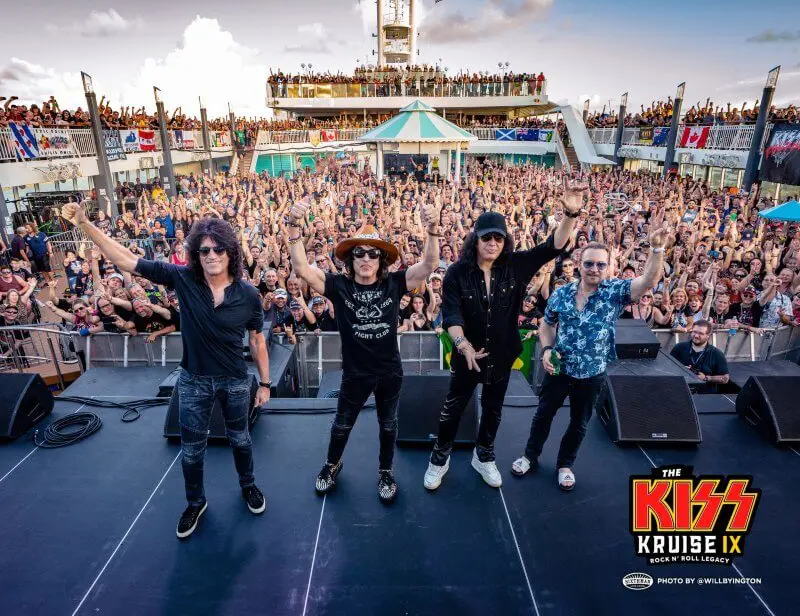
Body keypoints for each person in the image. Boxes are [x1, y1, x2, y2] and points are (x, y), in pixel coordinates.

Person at [60, 201, 271, 540]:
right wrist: (85, 224)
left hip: (235, 380)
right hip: (193, 380)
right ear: (195, 253)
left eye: (218, 248)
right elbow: (125, 260)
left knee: (241, 440)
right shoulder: (182, 278)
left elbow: (257, 341)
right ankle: (195, 502)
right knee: (191, 450)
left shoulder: (247, 294)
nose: (211, 255)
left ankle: (248, 486)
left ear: (231, 252)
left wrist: (265, 383)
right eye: (204, 250)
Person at [423, 182, 584, 492]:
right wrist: (462, 344)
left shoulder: (515, 266)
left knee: (494, 410)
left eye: (499, 237)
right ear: (475, 240)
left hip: (502, 354)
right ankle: (439, 458)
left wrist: (571, 213)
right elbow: (452, 314)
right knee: (453, 409)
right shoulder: (457, 272)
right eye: (487, 237)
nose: (493, 243)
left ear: (505, 240)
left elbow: (553, 246)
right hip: (466, 356)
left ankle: (483, 456)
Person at [288, 197, 439, 504]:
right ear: (351, 258)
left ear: (381, 259)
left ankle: (385, 470)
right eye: (359, 252)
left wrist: (433, 228)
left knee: (388, 425)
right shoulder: (337, 286)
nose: (366, 258)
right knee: (342, 424)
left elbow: (430, 265)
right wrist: (292, 227)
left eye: (373, 253)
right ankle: (332, 464)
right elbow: (301, 267)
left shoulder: (395, 283)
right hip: (355, 374)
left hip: (389, 372)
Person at [511, 218, 668, 492]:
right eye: (588, 263)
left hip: (592, 373)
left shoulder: (614, 292)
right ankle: (530, 456)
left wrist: (656, 250)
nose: (594, 269)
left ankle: (565, 465)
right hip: (559, 369)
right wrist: (547, 349)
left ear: (608, 267)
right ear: (579, 264)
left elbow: (648, 281)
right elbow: (547, 324)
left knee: (579, 424)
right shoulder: (562, 294)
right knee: (542, 416)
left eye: (600, 264)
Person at [670, 319, 730, 389]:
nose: (696, 336)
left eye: (701, 333)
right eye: (694, 332)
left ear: (708, 336)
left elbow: (725, 379)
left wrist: (706, 378)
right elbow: (668, 368)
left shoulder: (717, 354)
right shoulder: (679, 347)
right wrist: (681, 370)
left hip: (705, 395)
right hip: (681, 390)